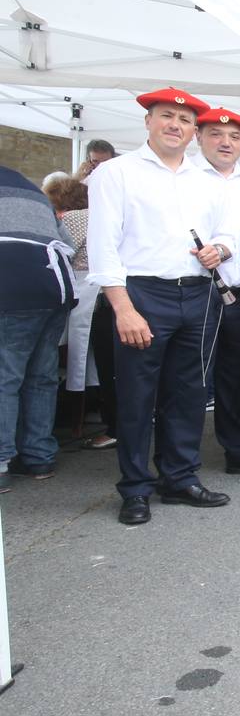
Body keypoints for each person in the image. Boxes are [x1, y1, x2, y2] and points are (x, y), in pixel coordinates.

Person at [86, 87, 233, 525]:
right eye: (167, 116)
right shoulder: (116, 173)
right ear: (148, 121)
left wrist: (219, 250)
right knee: (137, 396)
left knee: (188, 395)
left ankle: (180, 478)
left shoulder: (205, 178)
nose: (176, 125)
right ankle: (134, 488)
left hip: (197, 293)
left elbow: (225, 232)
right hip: (143, 293)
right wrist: (123, 308)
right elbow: (103, 247)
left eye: (185, 120)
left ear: (194, 130)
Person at [195, 108, 240, 477]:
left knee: (237, 375)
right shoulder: (186, 177)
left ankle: (238, 450)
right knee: (190, 376)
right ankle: (181, 459)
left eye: (235, 137)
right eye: (216, 135)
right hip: (195, 291)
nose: (226, 143)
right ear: (198, 137)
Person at [0, 166, 76, 494]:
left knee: (6, 377)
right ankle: (39, 455)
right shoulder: (28, 187)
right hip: (53, 286)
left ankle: (2, 459)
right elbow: (68, 243)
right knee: (41, 375)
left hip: (12, 287)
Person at [45, 177, 97, 398]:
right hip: (97, 295)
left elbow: (63, 254)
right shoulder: (96, 215)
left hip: (78, 290)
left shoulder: (73, 218)